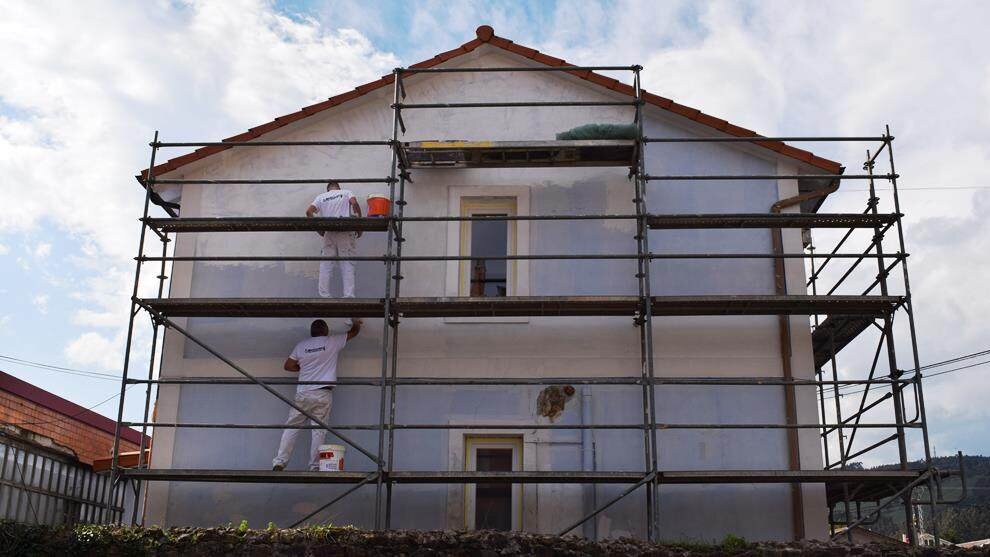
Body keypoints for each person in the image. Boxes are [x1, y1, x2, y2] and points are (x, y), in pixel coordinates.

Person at [272, 318, 361, 471]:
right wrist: (356, 322)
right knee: (318, 431)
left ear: (311, 332)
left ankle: (279, 462)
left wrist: (304, 368)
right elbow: (354, 332)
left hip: (303, 392)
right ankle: (314, 466)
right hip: (322, 393)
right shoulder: (332, 341)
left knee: (292, 427)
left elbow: (288, 366)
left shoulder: (302, 345)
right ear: (325, 331)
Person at [307, 181, 362, 298]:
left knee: (326, 264)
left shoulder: (321, 197)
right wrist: (359, 224)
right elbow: (354, 203)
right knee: (347, 263)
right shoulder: (346, 192)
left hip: (329, 233)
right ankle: (348, 296)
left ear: (328, 190)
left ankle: (324, 295)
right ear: (338, 188)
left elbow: (309, 212)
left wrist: (319, 230)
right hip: (344, 231)